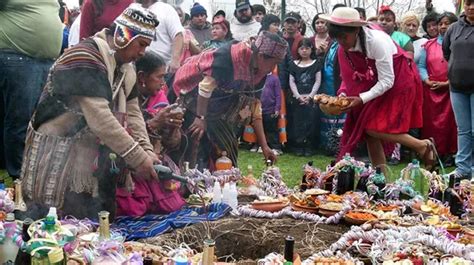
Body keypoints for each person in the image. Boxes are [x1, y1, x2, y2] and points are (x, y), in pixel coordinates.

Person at [21, 5, 160, 220]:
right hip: (58, 146)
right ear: (124, 36)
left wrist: (147, 150)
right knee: (50, 222)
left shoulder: (126, 68)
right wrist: (138, 158)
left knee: (98, 222)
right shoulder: (85, 56)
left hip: (92, 154)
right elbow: (100, 119)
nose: (143, 52)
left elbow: (133, 113)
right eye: (141, 44)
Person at [320, 7, 436, 171]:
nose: (342, 43)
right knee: (369, 134)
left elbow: (388, 80)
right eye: (337, 39)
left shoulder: (377, 42)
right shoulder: (342, 48)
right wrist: (343, 97)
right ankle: (381, 179)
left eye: (344, 38)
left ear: (356, 31)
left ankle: (422, 145)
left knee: (371, 127)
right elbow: (348, 78)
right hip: (374, 84)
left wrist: (361, 99)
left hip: (399, 80)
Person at [173, 31, 288, 169]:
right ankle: (190, 184)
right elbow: (204, 87)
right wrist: (200, 118)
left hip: (219, 106)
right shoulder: (229, 56)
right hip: (192, 97)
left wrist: (264, 146)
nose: (274, 68)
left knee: (228, 152)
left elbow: (255, 109)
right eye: (274, 63)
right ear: (261, 56)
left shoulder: (261, 71)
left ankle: (222, 184)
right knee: (194, 143)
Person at [116, 52, 186, 216]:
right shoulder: (123, 98)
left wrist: (173, 128)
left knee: (172, 205)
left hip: (154, 162)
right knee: (133, 209)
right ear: (141, 77)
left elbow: (172, 144)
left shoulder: (159, 98)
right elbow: (121, 135)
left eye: (164, 78)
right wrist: (154, 124)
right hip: (129, 163)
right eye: (159, 77)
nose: (163, 84)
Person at [0, 0, 63, 181]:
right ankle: (18, 175)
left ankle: (29, 171)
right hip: (17, 58)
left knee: (38, 122)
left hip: (46, 62)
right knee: (20, 120)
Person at [418, 12, 458, 168]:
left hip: (451, 89)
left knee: (450, 124)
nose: (442, 26)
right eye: (440, 23)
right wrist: (427, 80)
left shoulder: (458, 44)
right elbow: (421, 66)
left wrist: (447, 83)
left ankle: (449, 154)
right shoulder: (428, 45)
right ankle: (430, 152)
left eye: (446, 23)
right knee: (431, 123)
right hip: (431, 90)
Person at [442, 0, 474, 181]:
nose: (472, 7)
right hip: (457, 87)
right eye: (468, 3)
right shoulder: (453, 28)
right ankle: (462, 168)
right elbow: (446, 52)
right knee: (463, 130)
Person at [289, 39, 322, 156]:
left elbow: (318, 81)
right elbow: (292, 82)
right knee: (298, 122)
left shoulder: (316, 63)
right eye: (302, 48)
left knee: (310, 122)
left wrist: (310, 96)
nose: (304, 51)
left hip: (311, 99)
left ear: (311, 49)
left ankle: (309, 146)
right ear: (298, 50)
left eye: (307, 48)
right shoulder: (293, 64)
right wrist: (298, 96)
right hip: (297, 98)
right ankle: (298, 146)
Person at [137, 0, 184, 74]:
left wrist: (175, 60)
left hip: (162, 70)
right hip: (136, 66)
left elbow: (178, 35)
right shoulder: (132, 8)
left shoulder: (166, 9)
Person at [261, 73, 282, 155]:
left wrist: (277, 108)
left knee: (272, 129)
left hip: (271, 109)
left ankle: (276, 147)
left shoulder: (275, 78)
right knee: (261, 128)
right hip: (260, 109)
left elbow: (278, 95)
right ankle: (262, 146)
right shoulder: (258, 78)